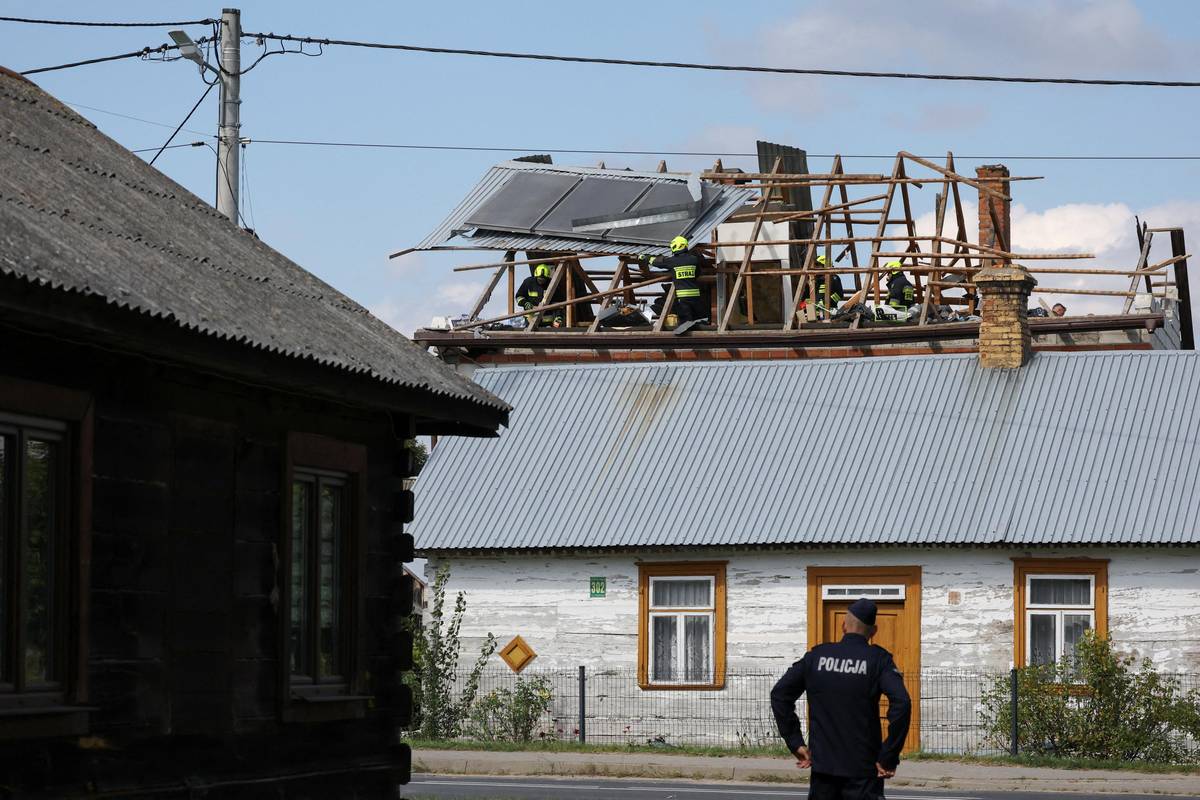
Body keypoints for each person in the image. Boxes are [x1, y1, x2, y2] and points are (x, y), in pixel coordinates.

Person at [771, 598, 911, 800]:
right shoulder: (879, 660)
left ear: (843, 626)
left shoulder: (816, 656)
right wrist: (889, 755)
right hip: (863, 771)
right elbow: (902, 703)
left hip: (823, 769)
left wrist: (795, 742)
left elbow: (780, 694)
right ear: (874, 631)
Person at [648, 236, 709, 324]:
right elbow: (698, 273)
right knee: (699, 319)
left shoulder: (672, 261)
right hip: (696, 296)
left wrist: (646, 258)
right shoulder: (694, 259)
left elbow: (657, 262)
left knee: (685, 322)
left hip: (682, 297)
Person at [515, 263, 564, 327]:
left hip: (547, 321)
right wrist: (525, 303)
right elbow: (519, 296)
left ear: (547, 277)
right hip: (530, 319)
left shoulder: (552, 285)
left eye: (543, 280)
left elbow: (559, 304)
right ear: (535, 276)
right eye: (539, 279)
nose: (541, 281)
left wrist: (559, 317)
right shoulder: (528, 282)